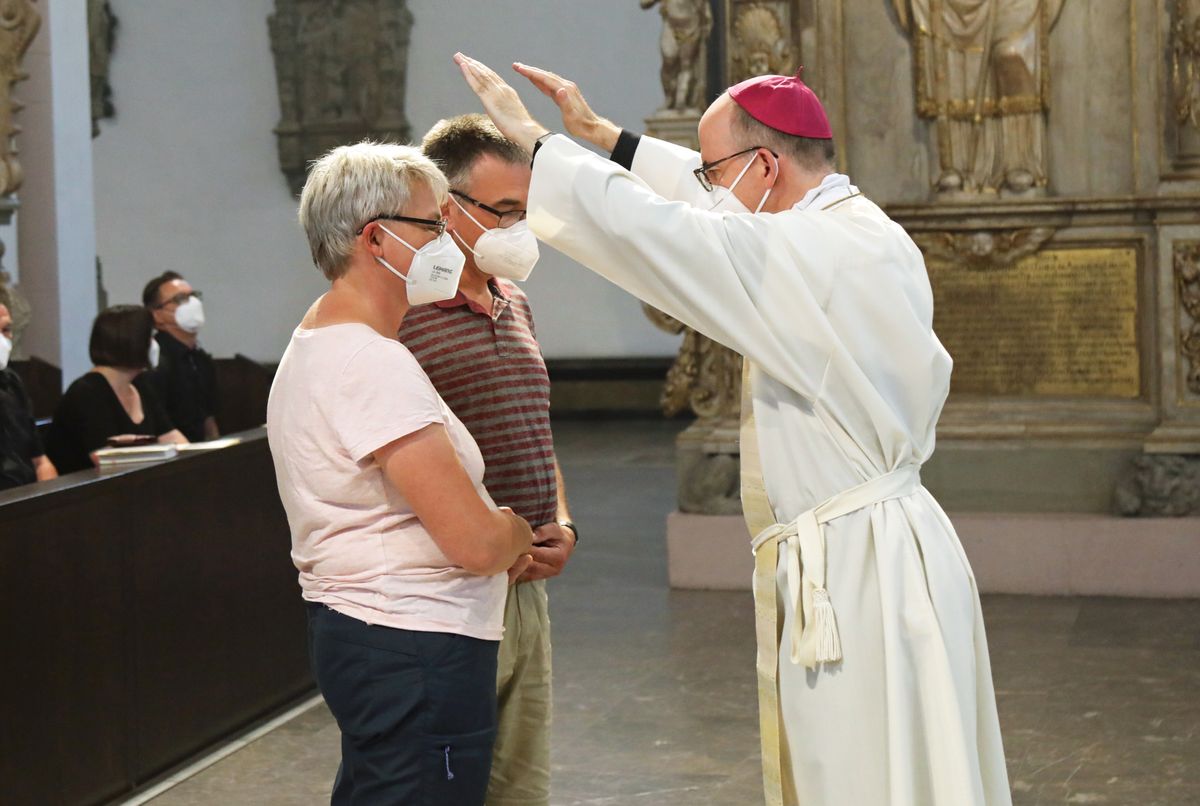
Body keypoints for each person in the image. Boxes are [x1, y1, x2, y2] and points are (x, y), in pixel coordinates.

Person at [453, 54, 1011, 806]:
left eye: (715, 170)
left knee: (862, 773)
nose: (708, 187)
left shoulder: (809, 254)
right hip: (881, 549)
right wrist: (605, 136)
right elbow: (706, 205)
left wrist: (535, 142)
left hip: (859, 573)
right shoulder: (852, 231)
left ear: (767, 166)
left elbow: (671, 232)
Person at [266, 141, 535, 806]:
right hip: (413, 643)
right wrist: (515, 532)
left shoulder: (323, 339)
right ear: (376, 239)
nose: (449, 242)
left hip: (378, 634)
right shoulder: (369, 361)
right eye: (433, 225)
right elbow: (475, 545)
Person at [399, 114, 576, 806]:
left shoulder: (515, 301)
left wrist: (561, 522)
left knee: (520, 788)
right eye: (503, 210)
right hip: (447, 594)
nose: (516, 228)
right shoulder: (404, 312)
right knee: (441, 788)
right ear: (447, 207)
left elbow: (534, 428)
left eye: (523, 212)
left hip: (525, 586)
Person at [45, 305, 187, 474]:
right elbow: (106, 460)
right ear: (131, 342)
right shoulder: (87, 393)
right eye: (149, 337)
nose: (154, 344)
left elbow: (173, 438)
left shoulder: (140, 384)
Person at [139, 271, 220, 442]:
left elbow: (208, 417)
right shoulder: (154, 359)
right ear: (157, 314)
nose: (192, 303)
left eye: (193, 296)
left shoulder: (200, 358)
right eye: (180, 299)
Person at [0, 303, 57, 490]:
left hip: (24, 496)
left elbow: (40, 461)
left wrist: (49, 498)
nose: (5, 338)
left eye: (6, 330)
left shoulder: (11, 381)